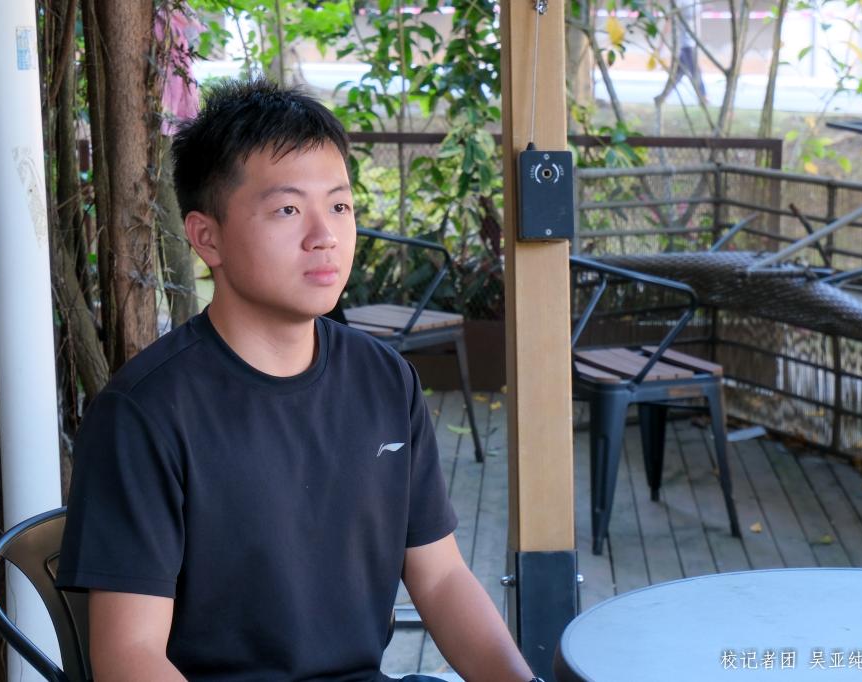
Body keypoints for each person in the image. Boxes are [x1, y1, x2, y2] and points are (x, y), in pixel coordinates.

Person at [56, 77, 539, 682]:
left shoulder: (384, 379)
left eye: (339, 206)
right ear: (207, 237)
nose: (324, 236)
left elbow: (440, 578)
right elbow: (129, 654)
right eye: (288, 210)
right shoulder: (145, 413)